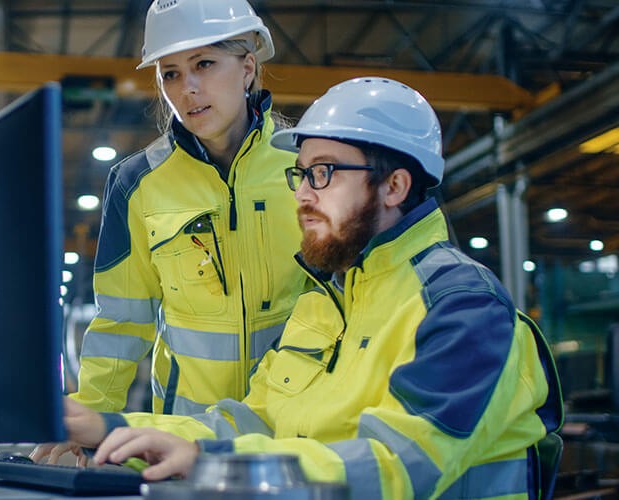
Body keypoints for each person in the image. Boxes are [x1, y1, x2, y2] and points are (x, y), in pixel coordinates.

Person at [35, 77, 564, 498]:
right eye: (302, 174)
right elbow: (256, 419)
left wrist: (214, 466)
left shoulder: (461, 307)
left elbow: (400, 465)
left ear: (395, 186)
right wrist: (108, 427)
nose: (304, 195)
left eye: (325, 173)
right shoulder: (327, 302)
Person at [71, 0, 305, 418]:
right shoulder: (137, 182)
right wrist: (90, 415)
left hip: (296, 430)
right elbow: (121, 321)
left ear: (247, 68)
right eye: (171, 74)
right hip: (185, 439)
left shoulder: (307, 169)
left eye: (205, 64)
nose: (187, 88)